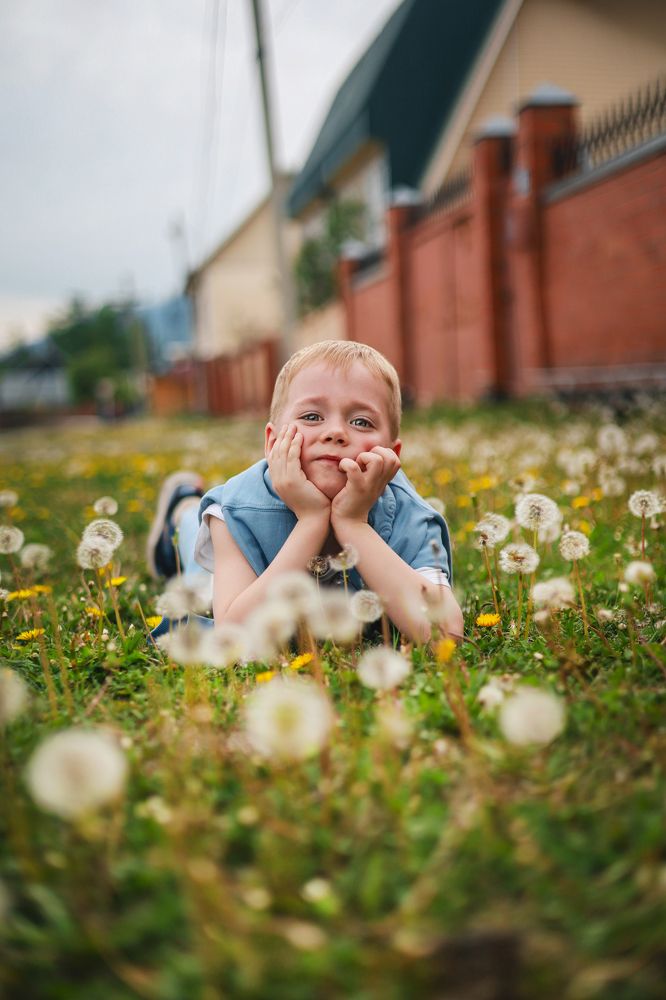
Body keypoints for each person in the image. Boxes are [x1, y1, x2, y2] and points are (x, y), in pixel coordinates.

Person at [147, 341, 463, 644]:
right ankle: (184, 510)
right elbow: (234, 634)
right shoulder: (236, 510)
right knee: (200, 579)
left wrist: (353, 524)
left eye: (361, 422)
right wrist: (311, 522)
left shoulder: (409, 515)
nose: (336, 432)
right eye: (312, 417)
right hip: (235, 565)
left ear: (392, 455)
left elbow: (445, 634)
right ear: (273, 443)